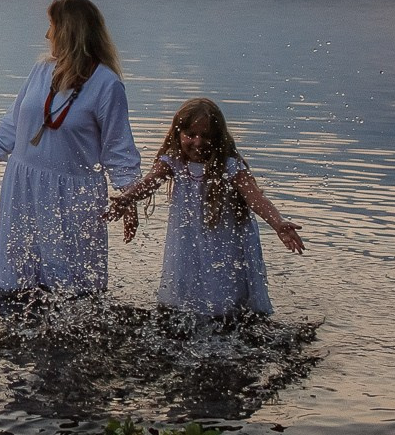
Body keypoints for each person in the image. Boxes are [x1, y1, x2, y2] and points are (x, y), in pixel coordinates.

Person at [0, 0, 140, 293]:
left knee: (72, 288)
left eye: (52, 26)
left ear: (68, 31)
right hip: (24, 186)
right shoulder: (41, 71)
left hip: (73, 195)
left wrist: (130, 198)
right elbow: (13, 124)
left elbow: (118, 149)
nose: (47, 35)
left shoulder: (106, 83)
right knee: (16, 282)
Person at [108, 97, 305, 316]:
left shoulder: (229, 165)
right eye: (191, 135)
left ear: (218, 137)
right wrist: (127, 198)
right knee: (185, 292)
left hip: (224, 242)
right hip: (189, 240)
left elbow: (255, 197)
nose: (198, 142)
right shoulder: (173, 161)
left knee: (225, 294)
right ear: (178, 134)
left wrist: (278, 223)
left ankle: (229, 323)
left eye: (206, 136)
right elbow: (149, 183)